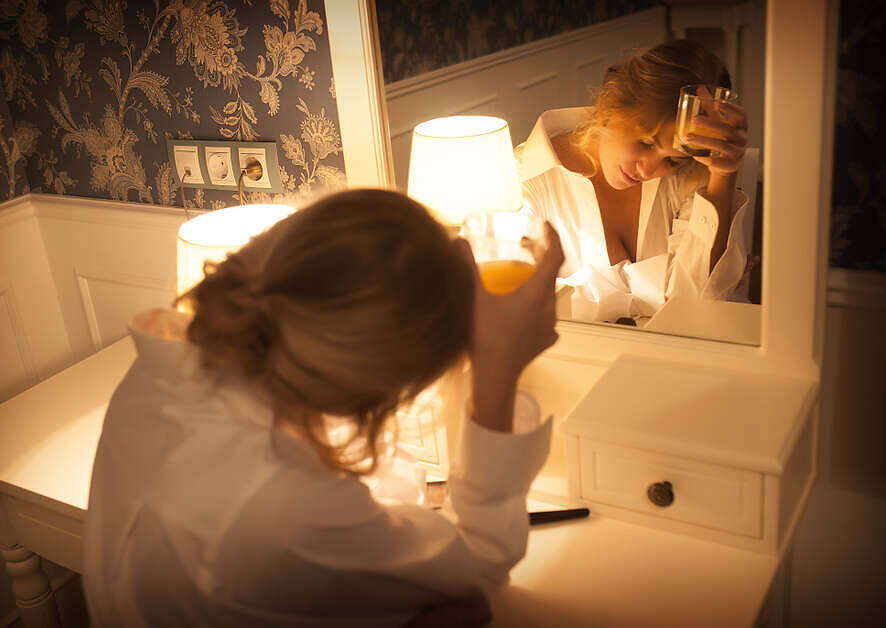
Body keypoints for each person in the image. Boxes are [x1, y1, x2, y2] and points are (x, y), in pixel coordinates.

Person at [82, 188, 565, 627]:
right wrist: (497, 372)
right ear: (371, 387)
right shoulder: (282, 506)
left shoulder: (165, 365)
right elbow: (477, 567)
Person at [515, 40, 755, 324]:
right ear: (611, 104)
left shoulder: (686, 176)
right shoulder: (525, 180)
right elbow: (531, 301)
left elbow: (699, 302)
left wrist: (723, 177)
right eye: (645, 142)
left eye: (671, 160)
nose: (649, 169)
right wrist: (660, 286)